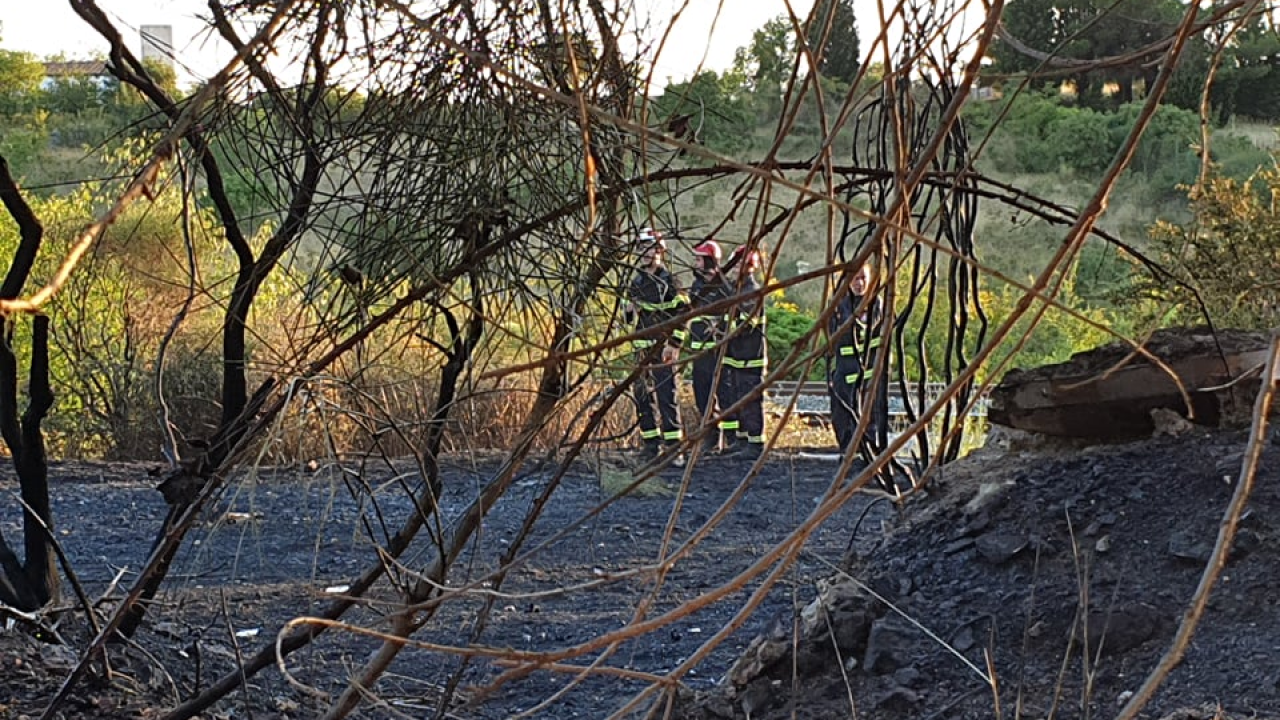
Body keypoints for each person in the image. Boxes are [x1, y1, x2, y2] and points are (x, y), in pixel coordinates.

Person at [625, 228, 689, 463]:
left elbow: (684, 313)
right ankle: (650, 445)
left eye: (648, 247)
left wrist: (674, 344)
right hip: (641, 348)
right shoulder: (637, 281)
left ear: (660, 250)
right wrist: (629, 311)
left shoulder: (671, 281)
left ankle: (674, 448)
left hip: (663, 348)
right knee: (642, 395)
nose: (644, 253)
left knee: (666, 395)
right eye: (641, 248)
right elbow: (630, 315)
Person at [828, 262, 889, 456]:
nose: (859, 283)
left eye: (863, 278)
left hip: (869, 377)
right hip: (844, 374)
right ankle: (848, 452)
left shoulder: (877, 305)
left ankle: (867, 453)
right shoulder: (838, 307)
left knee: (869, 416)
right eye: (855, 279)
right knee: (842, 415)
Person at [719, 245, 767, 460]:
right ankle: (742, 441)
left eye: (741, 264)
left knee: (750, 401)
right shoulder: (735, 289)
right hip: (736, 357)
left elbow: (745, 324)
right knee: (737, 399)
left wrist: (725, 326)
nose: (737, 267)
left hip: (750, 357)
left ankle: (754, 445)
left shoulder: (751, 292)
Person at [688, 239, 733, 454]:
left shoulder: (725, 286)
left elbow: (732, 317)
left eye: (699, 259)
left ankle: (731, 440)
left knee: (726, 394)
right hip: (699, 353)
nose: (696, 263)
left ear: (709, 260)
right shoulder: (697, 287)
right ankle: (710, 437)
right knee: (702, 395)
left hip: (720, 351)